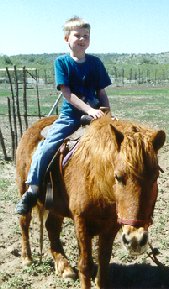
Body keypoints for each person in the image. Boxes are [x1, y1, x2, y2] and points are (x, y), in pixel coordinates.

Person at [16, 16, 112, 215]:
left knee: (117, 146)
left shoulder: (96, 63)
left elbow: (102, 93)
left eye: (86, 35)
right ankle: (32, 190)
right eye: (77, 35)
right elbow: (67, 93)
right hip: (71, 116)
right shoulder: (62, 63)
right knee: (46, 147)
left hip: (96, 114)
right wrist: (88, 110)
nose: (82, 39)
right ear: (66, 38)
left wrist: (107, 114)